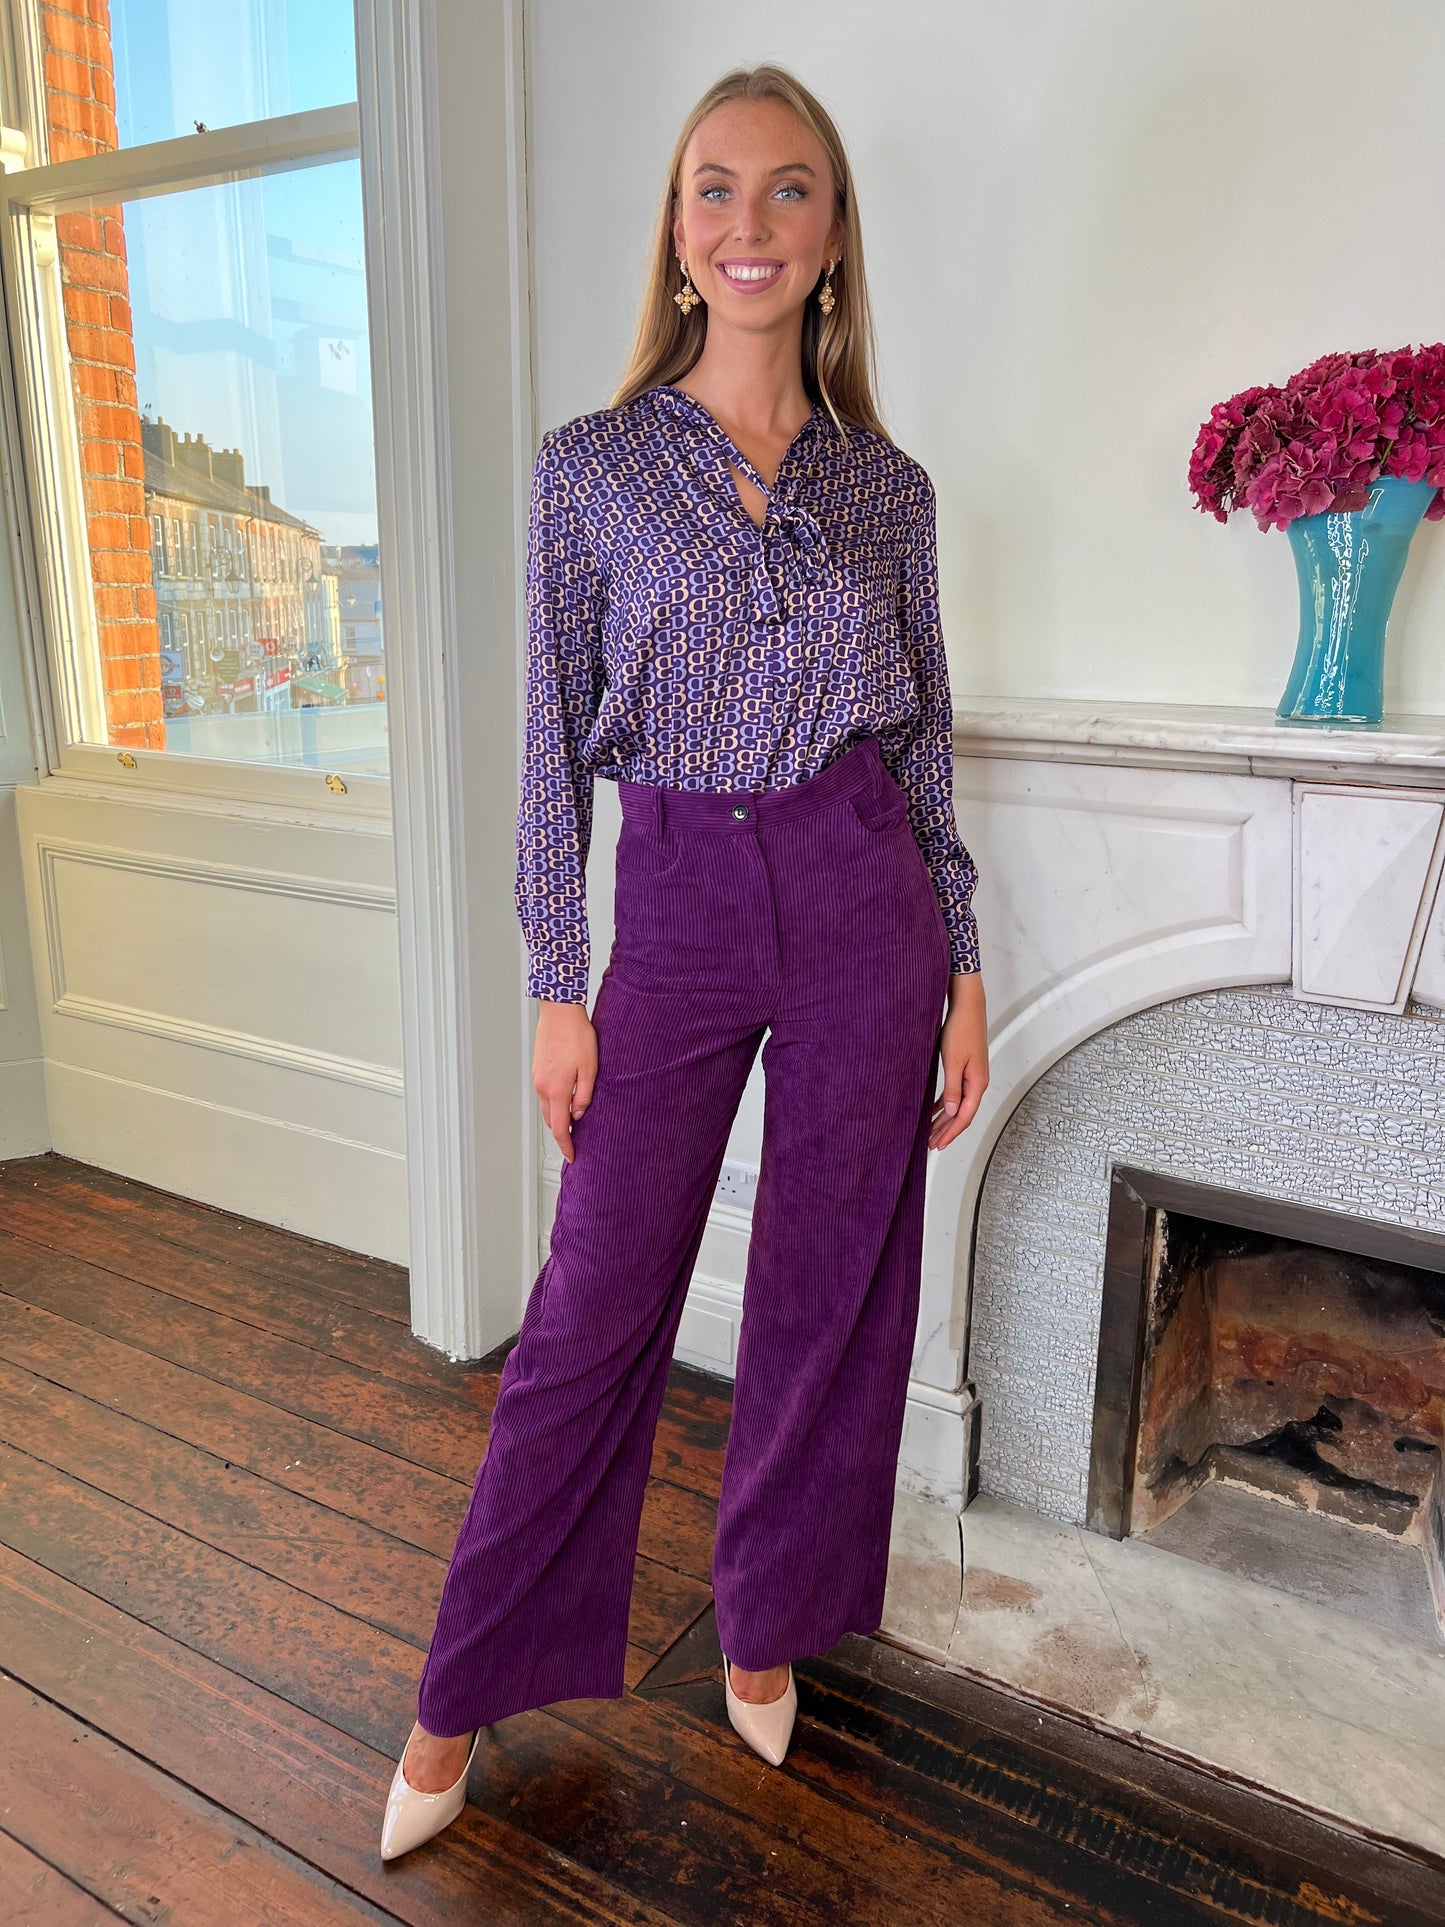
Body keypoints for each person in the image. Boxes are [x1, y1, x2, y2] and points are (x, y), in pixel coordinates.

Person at [379, 60, 989, 1862]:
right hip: (687, 900)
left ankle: (766, 1617)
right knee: (587, 1311)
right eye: (713, 189)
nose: (747, 224)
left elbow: (929, 743)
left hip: (867, 888)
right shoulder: (594, 472)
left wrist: (959, 957)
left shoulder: (891, 491)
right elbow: (546, 740)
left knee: (830, 1289)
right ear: (674, 228)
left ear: (829, 237)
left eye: (787, 192)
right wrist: (557, 980)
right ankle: (458, 1691)